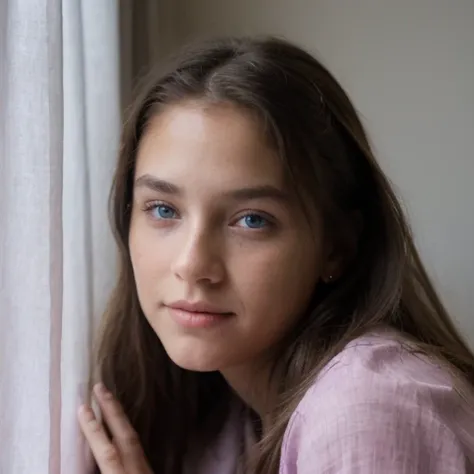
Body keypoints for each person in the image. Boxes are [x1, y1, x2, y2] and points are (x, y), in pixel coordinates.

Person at [77, 36, 474, 473]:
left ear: (337, 246)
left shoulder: (366, 407)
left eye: (252, 220)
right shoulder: (225, 418)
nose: (191, 264)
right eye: (163, 210)